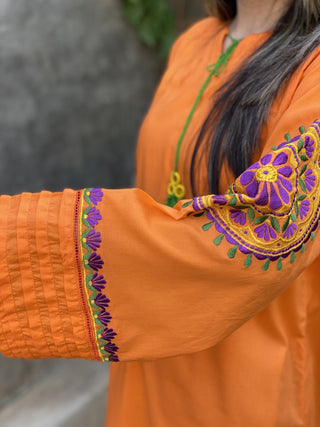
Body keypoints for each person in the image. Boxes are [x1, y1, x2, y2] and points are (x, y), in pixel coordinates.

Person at [1, 0, 320, 425]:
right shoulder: (194, 42)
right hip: (146, 356)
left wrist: (17, 244)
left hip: (244, 389)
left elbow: (268, 231)